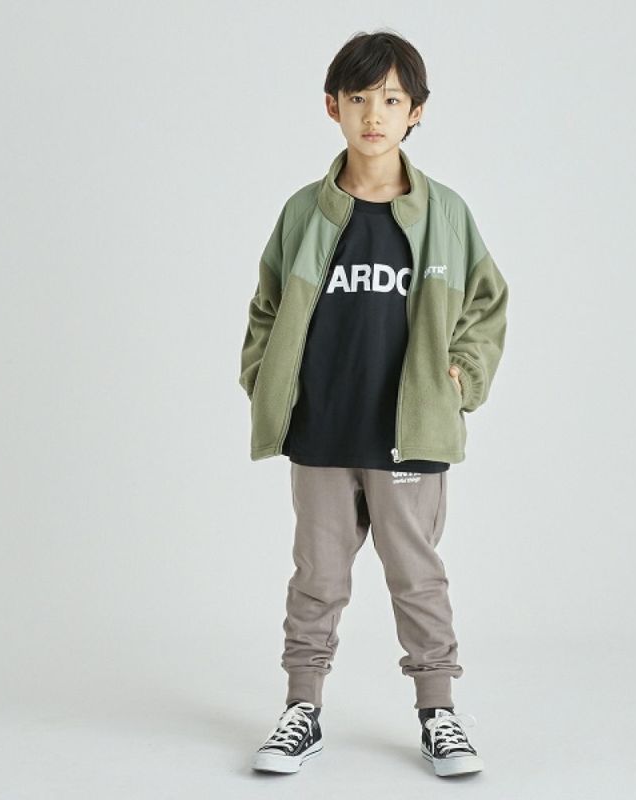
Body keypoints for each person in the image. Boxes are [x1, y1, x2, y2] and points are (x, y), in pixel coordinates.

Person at [239, 29, 508, 778]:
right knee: (316, 579)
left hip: (409, 434)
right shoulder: (305, 212)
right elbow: (265, 308)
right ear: (332, 106)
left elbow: (487, 304)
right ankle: (301, 710)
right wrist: (266, 379)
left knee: (417, 578)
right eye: (358, 97)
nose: (374, 114)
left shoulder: (445, 213)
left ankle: (438, 713)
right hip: (323, 430)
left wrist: (462, 378)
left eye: (391, 99)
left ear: (416, 111)